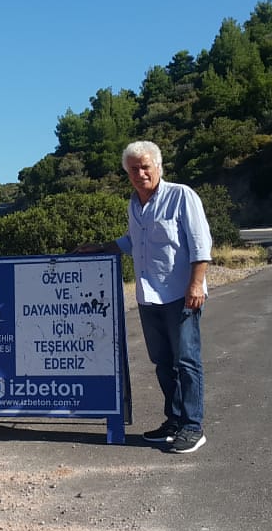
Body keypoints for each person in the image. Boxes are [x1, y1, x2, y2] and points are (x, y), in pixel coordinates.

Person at [76, 140, 212, 453]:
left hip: (180, 294)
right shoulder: (135, 204)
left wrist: (196, 285)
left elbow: (201, 244)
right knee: (163, 364)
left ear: (158, 167)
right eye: (134, 169)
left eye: (145, 167)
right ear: (128, 174)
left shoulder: (181, 196)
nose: (140, 173)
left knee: (187, 362)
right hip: (149, 296)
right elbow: (132, 240)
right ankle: (174, 421)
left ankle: (193, 427)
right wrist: (103, 248)